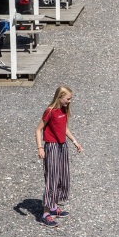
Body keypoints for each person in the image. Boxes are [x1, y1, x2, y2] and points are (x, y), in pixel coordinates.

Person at [35, 85, 83, 227]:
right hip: (52, 147)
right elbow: (38, 130)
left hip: (62, 146)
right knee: (52, 178)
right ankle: (45, 213)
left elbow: (64, 128)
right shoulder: (50, 111)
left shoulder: (63, 110)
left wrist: (75, 142)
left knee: (62, 176)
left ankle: (54, 207)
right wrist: (40, 147)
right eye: (68, 99)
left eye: (70, 99)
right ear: (60, 97)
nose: (69, 101)